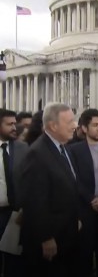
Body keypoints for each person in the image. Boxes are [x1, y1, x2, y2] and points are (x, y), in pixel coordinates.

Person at [20, 103, 81, 277]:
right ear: (53, 125)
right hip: (49, 242)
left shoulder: (63, 148)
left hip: (66, 235)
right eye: (70, 121)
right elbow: (34, 200)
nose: (75, 125)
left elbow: (68, 187)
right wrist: (45, 237)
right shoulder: (37, 154)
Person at [69, 109, 98, 277]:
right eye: (95, 125)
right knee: (84, 256)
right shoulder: (74, 150)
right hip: (84, 210)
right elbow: (74, 179)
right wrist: (91, 199)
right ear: (84, 128)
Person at [0, 109, 28, 277]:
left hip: (16, 215)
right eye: (9, 124)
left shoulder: (23, 148)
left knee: (14, 262)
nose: (14, 127)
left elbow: (31, 181)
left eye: (14, 123)